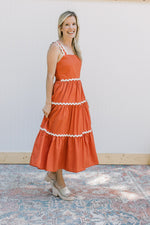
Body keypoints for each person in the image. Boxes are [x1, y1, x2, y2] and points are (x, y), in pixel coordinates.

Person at [30, 11, 99, 201]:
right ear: (60, 27)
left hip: (76, 101)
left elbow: (76, 78)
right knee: (59, 139)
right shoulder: (55, 47)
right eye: (67, 24)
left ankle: (53, 175)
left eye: (74, 24)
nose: (71, 28)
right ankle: (59, 182)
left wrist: (83, 101)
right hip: (61, 99)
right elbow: (50, 76)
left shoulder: (76, 49)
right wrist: (47, 102)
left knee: (68, 139)